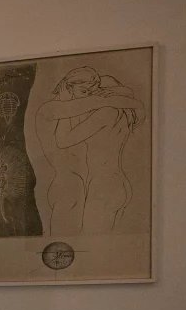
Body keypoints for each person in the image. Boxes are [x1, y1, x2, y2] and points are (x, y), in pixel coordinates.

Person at [27, 66, 141, 236]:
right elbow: (64, 138)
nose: (91, 95)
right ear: (69, 88)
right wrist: (123, 99)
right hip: (74, 187)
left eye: (96, 90)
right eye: (85, 91)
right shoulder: (52, 110)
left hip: (96, 186)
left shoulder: (103, 113)